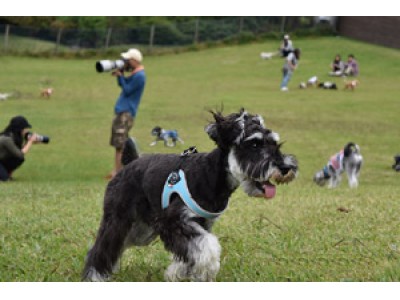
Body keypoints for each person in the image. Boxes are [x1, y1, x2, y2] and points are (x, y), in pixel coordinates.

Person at [106, 48, 146, 180]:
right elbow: (124, 85)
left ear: (134, 61)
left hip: (126, 113)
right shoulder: (135, 74)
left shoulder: (140, 76)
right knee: (121, 143)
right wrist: (120, 76)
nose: (125, 62)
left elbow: (127, 89)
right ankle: (122, 169)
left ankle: (117, 173)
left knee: (120, 144)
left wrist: (121, 77)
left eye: (127, 60)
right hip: (123, 112)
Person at [0, 116, 39, 181]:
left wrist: (28, 142)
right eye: (25, 128)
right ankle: (4, 175)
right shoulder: (6, 139)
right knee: (5, 179)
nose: (26, 130)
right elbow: (20, 153)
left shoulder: (15, 137)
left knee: (18, 159)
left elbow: (18, 153)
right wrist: (30, 142)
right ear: (19, 129)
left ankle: (7, 174)